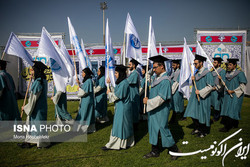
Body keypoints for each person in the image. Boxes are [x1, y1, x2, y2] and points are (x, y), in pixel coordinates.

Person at [143, 55, 180, 160]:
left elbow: (161, 99)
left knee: (163, 129)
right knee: (153, 129)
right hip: (154, 109)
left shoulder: (165, 81)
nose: (153, 69)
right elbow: (147, 79)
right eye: (153, 67)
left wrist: (148, 102)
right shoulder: (156, 78)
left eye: (155, 67)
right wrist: (149, 72)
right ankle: (155, 151)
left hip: (161, 109)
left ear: (162, 67)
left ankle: (175, 150)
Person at [102, 65, 134, 150]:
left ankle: (116, 144)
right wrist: (110, 85)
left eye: (116, 73)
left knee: (120, 126)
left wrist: (109, 93)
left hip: (123, 108)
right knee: (121, 125)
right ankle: (122, 143)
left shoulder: (124, 83)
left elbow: (117, 96)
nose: (115, 75)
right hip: (121, 107)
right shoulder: (122, 82)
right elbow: (117, 91)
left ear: (120, 73)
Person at [19, 61, 50, 148]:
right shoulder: (43, 80)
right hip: (40, 107)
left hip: (37, 108)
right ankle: (28, 142)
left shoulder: (38, 82)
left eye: (33, 70)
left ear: (37, 70)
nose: (31, 72)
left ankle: (42, 143)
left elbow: (33, 98)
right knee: (33, 125)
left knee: (38, 126)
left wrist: (25, 108)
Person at [184, 54, 214, 138]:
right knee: (193, 112)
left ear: (201, 63)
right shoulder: (197, 73)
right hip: (195, 96)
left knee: (202, 114)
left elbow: (210, 86)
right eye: (194, 64)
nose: (195, 65)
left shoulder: (207, 73)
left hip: (204, 97)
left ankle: (203, 131)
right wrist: (193, 80)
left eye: (196, 63)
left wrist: (200, 92)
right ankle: (198, 127)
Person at [220, 58, 247, 132]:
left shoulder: (240, 73)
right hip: (227, 94)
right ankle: (235, 124)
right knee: (227, 109)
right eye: (228, 64)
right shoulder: (227, 73)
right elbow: (225, 84)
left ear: (235, 65)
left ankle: (227, 127)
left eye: (230, 65)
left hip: (236, 94)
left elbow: (242, 85)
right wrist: (221, 80)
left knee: (232, 109)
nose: (229, 66)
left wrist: (233, 91)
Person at [76, 67, 96, 133]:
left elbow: (84, 91)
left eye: (83, 72)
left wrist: (79, 89)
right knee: (86, 113)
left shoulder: (88, 81)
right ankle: (88, 128)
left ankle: (83, 129)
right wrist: (80, 84)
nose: (82, 74)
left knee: (85, 114)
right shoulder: (88, 81)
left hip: (87, 100)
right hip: (86, 100)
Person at [169, 59, 184, 124]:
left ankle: (173, 118)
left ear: (178, 65)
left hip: (176, 90)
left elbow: (176, 82)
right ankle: (182, 115)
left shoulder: (178, 72)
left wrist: (171, 91)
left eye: (174, 65)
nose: (172, 66)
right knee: (176, 103)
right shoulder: (174, 72)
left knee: (177, 103)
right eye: (172, 65)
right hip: (174, 90)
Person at [210, 57, 226, 122]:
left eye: (215, 62)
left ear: (219, 64)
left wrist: (217, 87)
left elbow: (223, 82)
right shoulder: (212, 71)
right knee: (213, 103)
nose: (213, 64)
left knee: (217, 103)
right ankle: (217, 114)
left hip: (218, 90)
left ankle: (217, 117)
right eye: (213, 62)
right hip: (212, 89)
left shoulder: (222, 71)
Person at [127, 58, 141, 130]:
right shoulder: (132, 73)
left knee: (134, 111)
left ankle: (135, 126)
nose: (128, 66)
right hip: (131, 94)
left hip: (134, 95)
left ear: (134, 65)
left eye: (130, 65)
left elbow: (128, 82)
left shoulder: (135, 73)